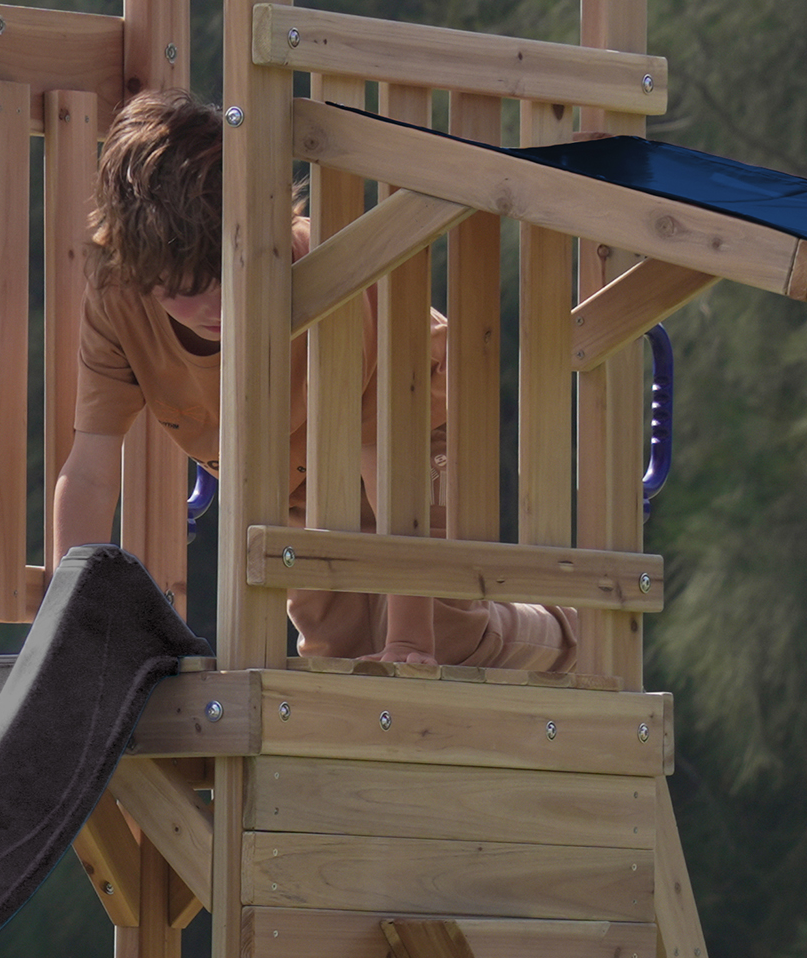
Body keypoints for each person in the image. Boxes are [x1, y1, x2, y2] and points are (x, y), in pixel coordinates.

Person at [44, 89, 568, 671]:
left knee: (443, 643)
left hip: (415, 426)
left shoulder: (319, 275)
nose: (212, 306)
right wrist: (71, 630)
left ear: (259, 233)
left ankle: (565, 633)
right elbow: (90, 469)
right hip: (294, 476)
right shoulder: (118, 300)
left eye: (223, 277)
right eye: (180, 291)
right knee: (337, 654)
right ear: (136, 268)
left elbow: (385, 458)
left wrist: (411, 643)